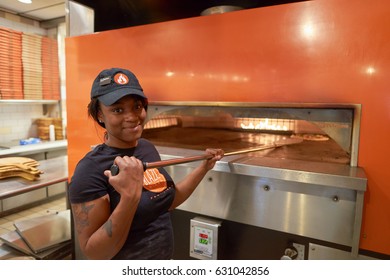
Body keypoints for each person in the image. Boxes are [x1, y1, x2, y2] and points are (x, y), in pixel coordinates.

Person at [68, 67, 224, 260]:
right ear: (100, 115)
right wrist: (129, 197)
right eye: (118, 109)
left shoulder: (146, 148)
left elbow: (166, 202)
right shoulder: (89, 171)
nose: (132, 117)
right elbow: (95, 253)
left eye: (137, 106)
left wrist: (203, 168)